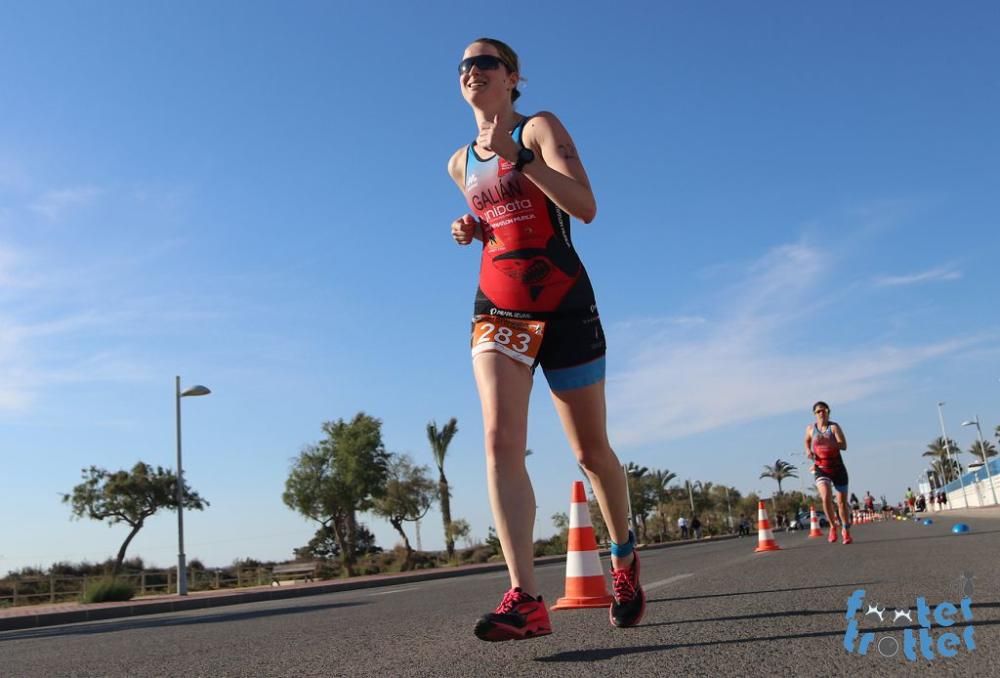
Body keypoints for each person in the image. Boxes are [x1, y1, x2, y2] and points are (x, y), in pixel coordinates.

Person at [448, 38, 643, 641]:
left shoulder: (538, 130)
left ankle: (624, 557)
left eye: (484, 63)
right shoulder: (459, 163)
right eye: (464, 67)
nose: (472, 72)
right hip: (499, 304)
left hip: (563, 300)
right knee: (500, 440)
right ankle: (526, 597)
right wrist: (473, 227)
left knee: (590, 451)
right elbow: (502, 219)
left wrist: (523, 159)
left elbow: (584, 206)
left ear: (512, 77)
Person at [804, 401, 853, 544]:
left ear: (828, 412)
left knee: (842, 503)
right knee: (825, 496)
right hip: (821, 469)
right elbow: (807, 441)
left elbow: (844, 445)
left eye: (824, 410)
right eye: (818, 411)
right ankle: (833, 527)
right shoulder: (810, 428)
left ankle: (845, 530)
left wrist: (832, 444)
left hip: (838, 468)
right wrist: (808, 451)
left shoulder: (834, 427)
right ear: (815, 414)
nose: (821, 413)